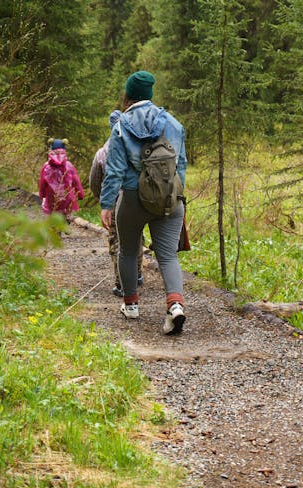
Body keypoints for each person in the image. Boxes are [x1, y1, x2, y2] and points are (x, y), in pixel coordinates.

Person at [99, 70, 187, 335]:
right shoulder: (172, 122)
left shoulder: (121, 125)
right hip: (168, 200)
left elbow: (113, 170)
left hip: (132, 199)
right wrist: (177, 197)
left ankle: (131, 304)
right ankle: (175, 306)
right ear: (149, 95)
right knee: (168, 255)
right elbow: (180, 165)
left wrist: (106, 204)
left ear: (128, 95)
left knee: (128, 250)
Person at [89, 111, 143, 296]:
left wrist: (103, 201)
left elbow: (94, 181)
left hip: (113, 203)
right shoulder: (137, 147)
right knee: (136, 237)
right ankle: (137, 275)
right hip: (135, 200)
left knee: (117, 241)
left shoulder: (102, 153)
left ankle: (121, 283)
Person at [38, 138, 84, 220]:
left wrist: (42, 194)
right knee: (66, 209)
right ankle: (65, 222)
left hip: (51, 197)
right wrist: (80, 194)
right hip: (66, 196)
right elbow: (76, 182)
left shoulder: (46, 166)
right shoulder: (69, 165)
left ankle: (54, 226)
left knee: (52, 212)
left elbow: (42, 182)